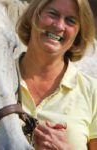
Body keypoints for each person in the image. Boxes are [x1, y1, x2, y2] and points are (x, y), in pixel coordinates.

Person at [16, 0, 97, 149]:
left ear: (79, 34)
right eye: (52, 14)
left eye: (70, 20)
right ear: (33, 16)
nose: (59, 26)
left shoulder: (93, 92)